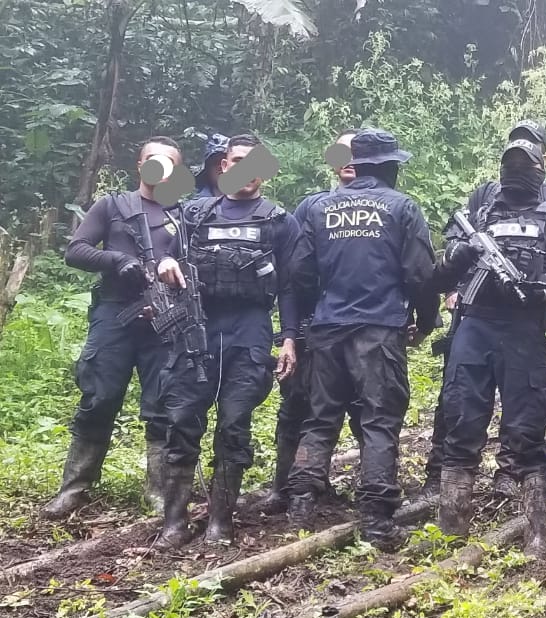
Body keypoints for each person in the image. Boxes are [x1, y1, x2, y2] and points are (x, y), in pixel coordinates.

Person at [288, 128, 438, 551]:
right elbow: (420, 276)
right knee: (379, 419)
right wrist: (426, 322)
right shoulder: (402, 208)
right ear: (388, 166)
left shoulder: (319, 209)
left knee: (320, 417)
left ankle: (300, 503)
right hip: (378, 329)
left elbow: (300, 273)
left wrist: (314, 313)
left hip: (327, 326)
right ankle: (376, 520)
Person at [433, 137, 546, 557]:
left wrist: (544, 294)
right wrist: (463, 255)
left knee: (528, 430)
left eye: (525, 164)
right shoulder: (477, 213)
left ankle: (537, 535)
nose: (516, 171)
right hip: (474, 327)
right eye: (509, 163)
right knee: (461, 420)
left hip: (523, 332)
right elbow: (438, 277)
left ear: (541, 169)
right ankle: (451, 535)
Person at [155, 133, 301, 547]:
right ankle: (175, 522)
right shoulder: (194, 214)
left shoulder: (279, 221)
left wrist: (288, 338)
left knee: (234, 426)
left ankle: (221, 520)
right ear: (223, 165)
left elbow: (291, 287)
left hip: (250, 331)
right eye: (238, 161)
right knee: (183, 421)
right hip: (197, 329)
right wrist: (166, 260)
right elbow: (166, 251)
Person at [43, 136, 187, 519]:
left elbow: (203, 263)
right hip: (115, 314)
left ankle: (158, 491)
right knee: (99, 398)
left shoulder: (185, 214)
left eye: (169, 162)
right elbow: (76, 249)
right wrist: (117, 260)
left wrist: (174, 267)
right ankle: (74, 488)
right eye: (153, 160)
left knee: (161, 405)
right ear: (140, 166)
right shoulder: (113, 205)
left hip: (165, 320)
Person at [261, 129, 363, 515]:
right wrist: (290, 333)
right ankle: (286, 485)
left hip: (364, 326)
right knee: (297, 406)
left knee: (364, 405)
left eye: (358, 152)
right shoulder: (311, 208)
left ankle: (367, 490)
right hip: (313, 324)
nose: (350, 159)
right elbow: (292, 277)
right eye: (343, 152)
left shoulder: (386, 206)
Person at [193, 133, 228, 199]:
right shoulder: (195, 206)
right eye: (216, 163)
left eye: (225, 162)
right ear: (207, 169)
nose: (220, 167)